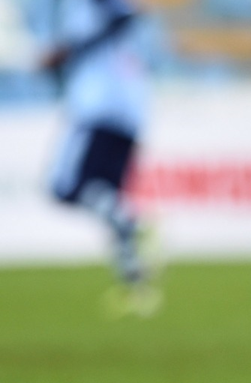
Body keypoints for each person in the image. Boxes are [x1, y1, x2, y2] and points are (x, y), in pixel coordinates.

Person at [40, 0, 157, 316]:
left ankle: (130, 221)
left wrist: (69, 52)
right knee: (106, 197)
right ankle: (136, 288)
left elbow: (123, 17)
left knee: (64, 186)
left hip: (99, 106)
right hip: (127, 109)